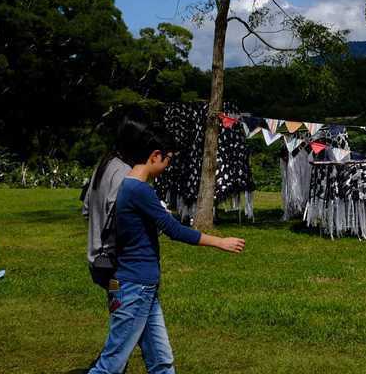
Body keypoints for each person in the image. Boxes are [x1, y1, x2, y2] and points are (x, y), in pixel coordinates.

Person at [87, 119, 245, 374]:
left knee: (162, 361)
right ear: (155, 156)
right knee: (110, 365)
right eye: (168, 159)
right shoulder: (139, 190)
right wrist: (220, 242)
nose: (168, 165)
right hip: (134, 289)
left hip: (143, 288)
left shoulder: (129, 186)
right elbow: (174, 229)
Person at [83, 123, 132, 288]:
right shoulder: (123, 170)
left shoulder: (103, 165)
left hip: (97, 260)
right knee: (121, 306)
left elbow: (86, 209)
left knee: (116, 303)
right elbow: (119, 215)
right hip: (114, 263)